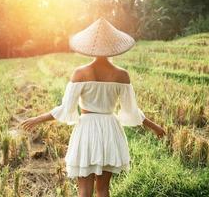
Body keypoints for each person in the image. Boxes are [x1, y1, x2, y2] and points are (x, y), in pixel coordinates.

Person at [21, 17, 166, 197]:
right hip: (110, 129)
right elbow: (131, 112)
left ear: (89, 47)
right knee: (103, 189)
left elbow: (66, 109)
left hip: (87, 130)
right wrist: (155, 127)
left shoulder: (80, 73)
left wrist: (38, 119)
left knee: (84, 189)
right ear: (114, 47)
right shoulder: (122, 75)